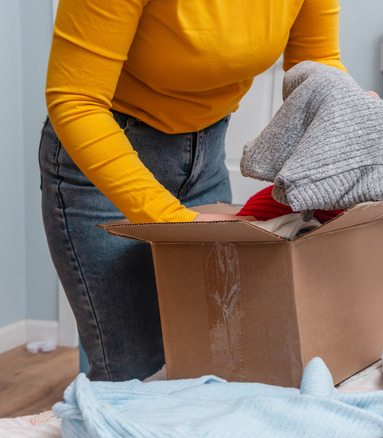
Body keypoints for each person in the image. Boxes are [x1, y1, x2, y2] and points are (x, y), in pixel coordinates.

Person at [40, 0, 346, 382]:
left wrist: (346, 111)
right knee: (132, 373)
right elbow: (75, 100)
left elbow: (315, 65)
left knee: (211, 359)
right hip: (105, 163)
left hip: (207, 156)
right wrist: (172, 220)